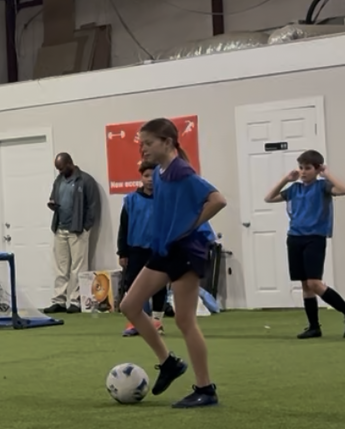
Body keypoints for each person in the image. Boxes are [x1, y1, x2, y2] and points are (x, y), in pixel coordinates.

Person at [116, 118, 226, 408]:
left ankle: (206, 389)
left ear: (167, 142)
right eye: (141, 144)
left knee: (184, 320)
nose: (143, 149)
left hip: (186, 250)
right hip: (165, 249)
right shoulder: (162, 173)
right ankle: (169, 363)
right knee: (130, 305)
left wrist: (190, 227)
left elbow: (217, 200)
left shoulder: (180, 171)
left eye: (148, 143)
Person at [264, 150, 345, 339]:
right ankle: (314, 327)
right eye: (301, 168)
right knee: (305, 285)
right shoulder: (294, 189)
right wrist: (286, 179)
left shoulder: (323, 187)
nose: (303, 172)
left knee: (314, 283)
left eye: (308, 168)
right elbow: (268, 198)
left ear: (317, 169)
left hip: (314, 238)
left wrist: (327, 174)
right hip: (295, 238)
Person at [43, 152, 103, 315]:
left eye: (62, 168)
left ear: (70, 163)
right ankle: (59, 300)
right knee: (61, 267)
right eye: (58, 169)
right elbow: (53, 197)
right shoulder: (59, 181)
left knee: (78, 266)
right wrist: (52, 204)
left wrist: (86, 227)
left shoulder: (85, 180)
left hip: (77, 229)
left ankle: (76, 300)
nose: (60, 172)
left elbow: (93, 205)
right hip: (60, 228)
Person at [116, 175, 169, 337]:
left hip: (159, 250)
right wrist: (122, 252)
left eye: (153, 176)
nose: (150, 180)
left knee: (158, 287)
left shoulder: (165, 200)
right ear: (141, 178)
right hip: (136, 250)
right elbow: (123, 228)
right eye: (146, 176)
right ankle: (135, 322)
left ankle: (156, 322)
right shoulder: (131, 200)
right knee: (133, 286)